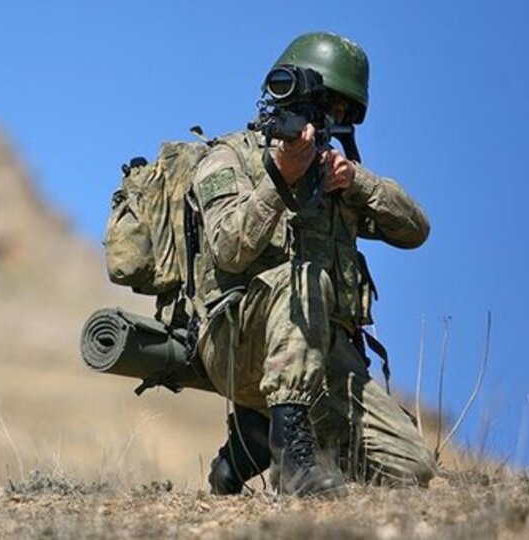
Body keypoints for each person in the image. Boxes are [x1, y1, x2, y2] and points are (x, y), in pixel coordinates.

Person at [192, 32, 436, 497]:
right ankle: (291, 459)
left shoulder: (335, 176)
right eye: (325, 105)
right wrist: (278, 180)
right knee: (304, 276)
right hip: (236, 342)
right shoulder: (229, 156)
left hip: (319, 358)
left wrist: (357, 181)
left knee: (413, 467)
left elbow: (416, 230)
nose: (331, 118)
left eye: (341, 111)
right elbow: (227, 248)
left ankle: (258, 433)